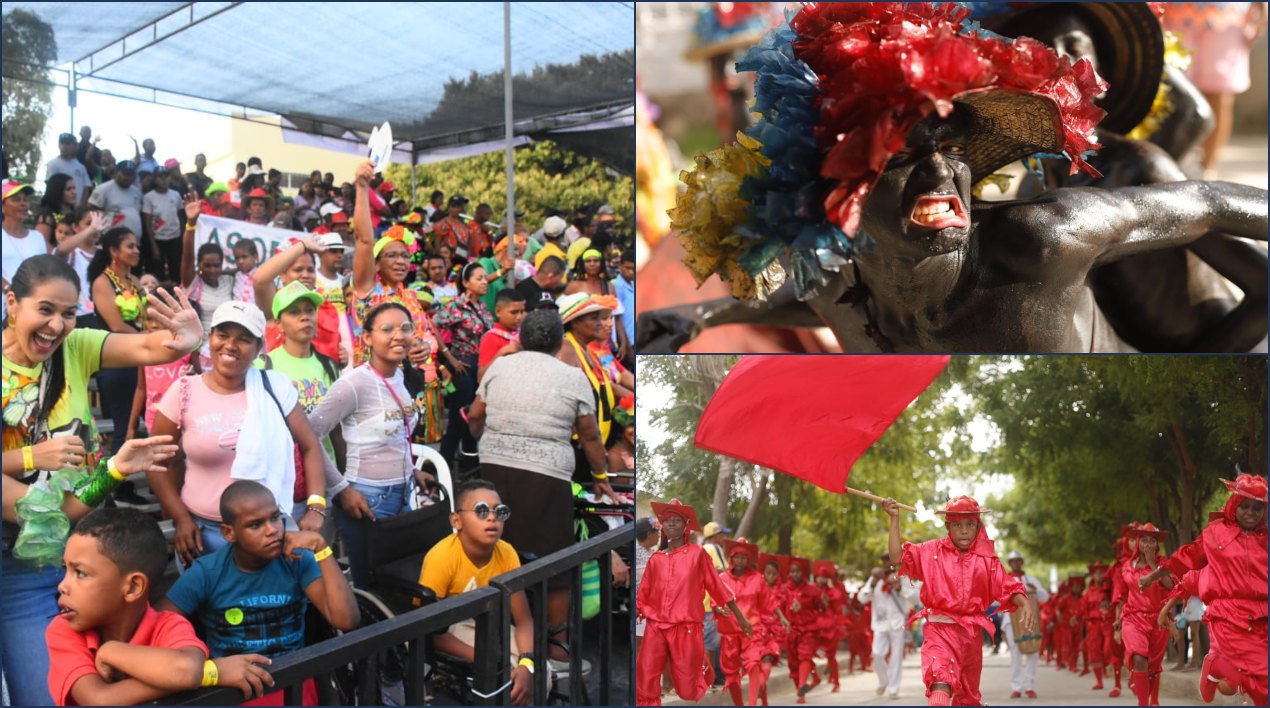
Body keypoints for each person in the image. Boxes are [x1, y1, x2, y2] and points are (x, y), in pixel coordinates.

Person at [655, 2, 1269, 354]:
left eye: (953, 149)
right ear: (838, 198)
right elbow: (833, 293)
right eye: (897, 156)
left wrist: (1196, 367)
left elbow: (1207, 197)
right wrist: (705, 316)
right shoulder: (837, 275)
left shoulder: (1043, 237)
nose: (940, 173)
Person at [2, 254, 199, 704]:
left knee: (44, 695)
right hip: (24, 539)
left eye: (69, 313)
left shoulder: (75, 347)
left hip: (42, 558)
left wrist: (188, 338)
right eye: (46, 309)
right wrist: (31, 455)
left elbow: (154, 347)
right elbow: (39, 509)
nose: (57, 325)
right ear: (13, 304)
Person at [468, 309, 618, 667]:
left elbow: (475, 415)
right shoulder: (572, 376)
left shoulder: (500, 367)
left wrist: (484, 441)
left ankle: (498, 636)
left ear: (521, 338)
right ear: (558, 342)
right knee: (555, 564)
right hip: (546, 478)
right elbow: (590, 433)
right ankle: (556, 648)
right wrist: (600, 475)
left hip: (492, 473)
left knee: (498, 553)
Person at [147, 301, 330, 569]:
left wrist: (316, 506)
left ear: (259, 348)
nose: (230, 345)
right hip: (203, 533)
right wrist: (180, 518)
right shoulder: (185, 391)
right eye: (222, 335)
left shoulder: (275, 388)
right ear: (210, 338)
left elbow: (310, 446)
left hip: (268, 534)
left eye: (243, 339)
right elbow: (156, 460)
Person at [46, 507, 275, 706]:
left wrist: (111, 651)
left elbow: (185, 670)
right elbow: (98, 699)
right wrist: (211, 673)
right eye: (65, 569)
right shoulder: (64, 631)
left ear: (134, 587)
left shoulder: (169, 625)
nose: (63, 586)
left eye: (81, 573)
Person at [159, 480, 359, 706]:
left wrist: (322, 549)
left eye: (275, 517)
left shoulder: (296, 560)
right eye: (256, 525)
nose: (272, 529)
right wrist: (200, 663)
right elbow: (160, 623)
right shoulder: (207, 572)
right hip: (235, 687)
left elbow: (346, 620)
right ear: (229, 533)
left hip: (293, 681)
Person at [306, 301, 419, 587]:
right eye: (387, 329)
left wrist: (413, 470)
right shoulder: (354, 383)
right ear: (367, 338)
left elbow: (396, 433)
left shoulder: (401, 375)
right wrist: (341, 489)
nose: (399, 335)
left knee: (398, 581)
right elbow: (309, 434)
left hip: (404, 491)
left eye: (405, 328)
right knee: (372, 585)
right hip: (368, 499)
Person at [881, 495, 1035, 706]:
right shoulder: (930, 551)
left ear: (977, 525)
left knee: (967, 699)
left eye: (970, 524)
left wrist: (1024, 602)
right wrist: (894, 519)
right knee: (940, 680)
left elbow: (1006, 585)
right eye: (957, 525)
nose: (964, 530)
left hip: (971, 637)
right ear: (948, 526)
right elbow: (897, 558)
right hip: (939, 631)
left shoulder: (986, 560)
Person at [1139, 473, 1268, 705]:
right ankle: (1214, 663)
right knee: (1252, 682)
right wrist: (1153, 575)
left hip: (1261, 617)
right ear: (1233, 506)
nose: (1251, 512)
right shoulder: (1215, 535)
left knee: (1255, 683)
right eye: (1244, 506)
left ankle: (1217, 666)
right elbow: (1184, 564)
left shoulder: (1265, 539)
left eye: (1257, 508)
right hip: (1227, 616)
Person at [418, 479, 537, 706]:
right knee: (504, 675)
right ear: (457, 520)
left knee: (535, 670)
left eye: (499, 511)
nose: (492, 518)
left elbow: (524, 620)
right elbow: (429, 632)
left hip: (490, 623)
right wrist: (486, 658)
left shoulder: (507, 552)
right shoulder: (441, 558)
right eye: (481, 511)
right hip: (452, 627)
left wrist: (527, 664)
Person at [636, 499, 752, 706]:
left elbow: (717, 586)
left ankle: (702, 665)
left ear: (685, 526)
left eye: (677, 520)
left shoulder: (698, 555)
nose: (671, 524)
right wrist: (639, 610)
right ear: (662, 526)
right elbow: (643, 593)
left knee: (687, 690)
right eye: (667, 520)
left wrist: (740, 617)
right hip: (656, 626)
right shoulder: (656, 559)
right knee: (645, 678)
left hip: (686, 627)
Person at [88, 227, 149, 455]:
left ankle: (128, 486)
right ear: (114, 251)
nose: (136, 250)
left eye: (137, 246)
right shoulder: (102, 282)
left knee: (141, 427)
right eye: (130, 246)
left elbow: (145, 318)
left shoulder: (134, 280)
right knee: (122, 428)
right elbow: (116, 326)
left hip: (139, 359)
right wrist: (149, 340)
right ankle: (113, 487)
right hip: (117, 361)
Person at [251, 233, 351, 365]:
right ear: (282, 274)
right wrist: (303, 245)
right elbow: (260, 280)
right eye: (298, 270)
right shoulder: (276, 302)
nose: (306, 275)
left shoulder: (325, 305)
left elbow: (331, 347)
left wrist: (340, 358)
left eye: (310, 270)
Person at [434, 261, 493, 467]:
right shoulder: (456, 305)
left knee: (474, 417)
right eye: (479, 278)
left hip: (482, 366)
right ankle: (443, 465)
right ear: (466, 283)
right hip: (464, 366)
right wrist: (449, 357)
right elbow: (433, 325)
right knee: (458, 420)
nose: (485, 282)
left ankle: (469, 467)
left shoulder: (482, 306)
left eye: (485, 278)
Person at [1111, 522, 1173, 706]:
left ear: (1157, 545)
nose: (1147, 544)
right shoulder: (1127, 566)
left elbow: (1171, 586)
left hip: (1158, 620)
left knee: (1152, 669)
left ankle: (1147, 697)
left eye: (1151, 540)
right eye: (1143, 540)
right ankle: (1143, 704)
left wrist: (1153, 563)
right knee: (1139, 658)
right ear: (1137, 542)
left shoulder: (1164, 564)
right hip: (1133, 618)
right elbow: (1121, 597)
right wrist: (1117, 623)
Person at [712, 538, 764, 706]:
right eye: (737, 556)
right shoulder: (722, 578)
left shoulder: (758, 579)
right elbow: (715, 601)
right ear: (731, 558)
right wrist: (719, 609)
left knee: (754, 663)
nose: (740, 560)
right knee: (731, 673)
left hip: (751, 630)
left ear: (748, 559)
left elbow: (767, 604)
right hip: (730, 632)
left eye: (743, 557)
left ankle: (752, 704)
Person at [860, 565, 919, 699]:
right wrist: (873, 585)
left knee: (896, 657)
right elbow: (862, 599)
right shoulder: (874, 578)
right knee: (877, 653)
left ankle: (893, 689)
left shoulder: (903, 577)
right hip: (880, 623)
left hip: (898, 623)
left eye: (890, 560)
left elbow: (915, 598)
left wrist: (900, 588)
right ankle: (884, 681)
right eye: (885, 560)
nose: (888, 563)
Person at [998, 550, 1050, 699]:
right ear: (1009, 564)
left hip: (1030, 619)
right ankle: (1016, 687)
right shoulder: (1004, 579)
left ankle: (1029, 686)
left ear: (1021, 562)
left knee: (1033, 652)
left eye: (1018, 560)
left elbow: (1045, 598)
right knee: (1015, 654)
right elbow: (1000, 601)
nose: (1015, 563)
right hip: (1010, 622)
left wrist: (1035, 588)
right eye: (1013, 561)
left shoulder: (1031, 579)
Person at [3, 181, 51, 302]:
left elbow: (44, 270)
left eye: (25, 199)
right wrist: (9, 289)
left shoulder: (37, 237)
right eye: (16, 200)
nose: (23, 204)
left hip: (31, 304)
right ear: (2, 207)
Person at [476, 288, 526, 383]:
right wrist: (502, 352)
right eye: (514, 312)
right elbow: (481, 378)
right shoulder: (491, 338)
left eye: (522, 312)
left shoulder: (524, 333)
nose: (519, 317)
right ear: (498, 311)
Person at [142, 167, 183, 281]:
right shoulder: (148, 197)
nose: (164, 180)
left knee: (176, 270)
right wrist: (154, 246)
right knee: (158, 272)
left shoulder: (176, 195)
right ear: (155, 179)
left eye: (166, 176)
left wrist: (182, 236)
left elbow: (180, 216)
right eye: (160, 177)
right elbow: (148, 223)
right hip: (158, 239)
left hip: (175, 238)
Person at [812, 561, 846, 693]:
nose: (820, 579)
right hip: (815, 628)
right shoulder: (813, 590)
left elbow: (838, 604)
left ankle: (836, 682)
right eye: (819, 577)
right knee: (809, 654)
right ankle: (816, 676)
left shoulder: (833, 592)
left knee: (831, 656)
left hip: (831, 628)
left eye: (823, 577)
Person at [87, 160, 142, 239]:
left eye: (132, 174)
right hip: (111, 239)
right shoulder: (103, 189)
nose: (129, 177)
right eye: (126, 174)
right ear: (116, 172)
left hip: (134, 241)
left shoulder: (137, 192)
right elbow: (91, 211)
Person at [1080, 561, 1113, 691]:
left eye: (1101, 572)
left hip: (1106, 622)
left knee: (1108, 648)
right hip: (1093, 624)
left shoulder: (1110, 590)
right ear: (1092, 575)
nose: (1099, 575)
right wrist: (1079, 617)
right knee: (1094, 651)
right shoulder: (1088, 592)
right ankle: (1099, 681)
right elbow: (1082, 607)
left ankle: (1105, 667)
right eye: (1096, 573)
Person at [45, 132, 92, 207]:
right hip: (60, 208)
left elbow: (86, 188)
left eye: (68, 144)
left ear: (74, 146)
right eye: (62, 143)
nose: (65, 146)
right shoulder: (53, 164)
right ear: (59, 145)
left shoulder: (80, 167)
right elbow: (50, 186)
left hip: (77, 209)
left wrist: (82, 206)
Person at [34, 173, 80, 244]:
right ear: (57, 191)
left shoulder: (76, 213)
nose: (74, 192)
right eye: (68, 189)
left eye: (74, 188)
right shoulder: (46, 216)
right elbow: (42, 244)